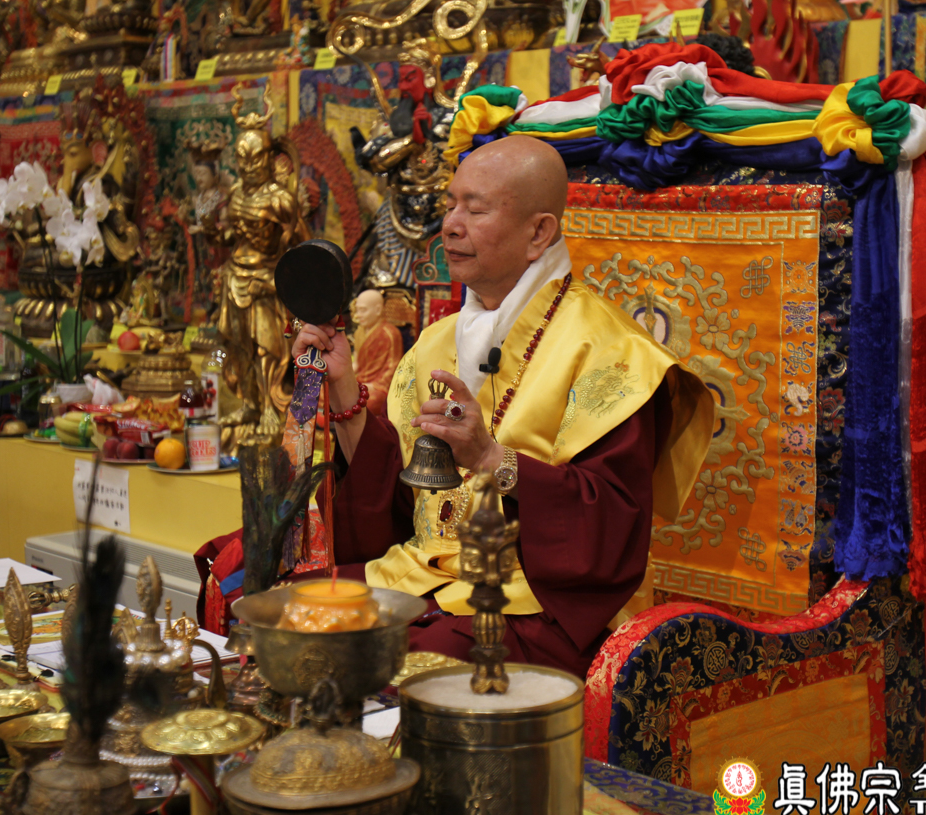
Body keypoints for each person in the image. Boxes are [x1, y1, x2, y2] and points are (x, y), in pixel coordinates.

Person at [291, 136, 714, 679]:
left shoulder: (613, 356)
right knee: (282, 613)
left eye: (476, 209)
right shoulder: (436, 341)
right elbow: (400, 497)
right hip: (424, 575)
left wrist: (493, 459)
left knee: (397, 667)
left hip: (533, 601)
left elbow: (611, 529)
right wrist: (345, 391)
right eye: (450, 205)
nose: (450, 225)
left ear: (539, 233)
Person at [349, 289, 403, 417]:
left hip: (377, 387)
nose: (358, 315)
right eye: (357, 310)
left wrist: (373, 386)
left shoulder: (391, 334)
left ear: (378, 310)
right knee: (325, 391)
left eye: (363, 310)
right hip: (359, 381)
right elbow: (356, 363)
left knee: (370, 402)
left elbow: (393, 368)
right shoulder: (359, 332)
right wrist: (344, 376)